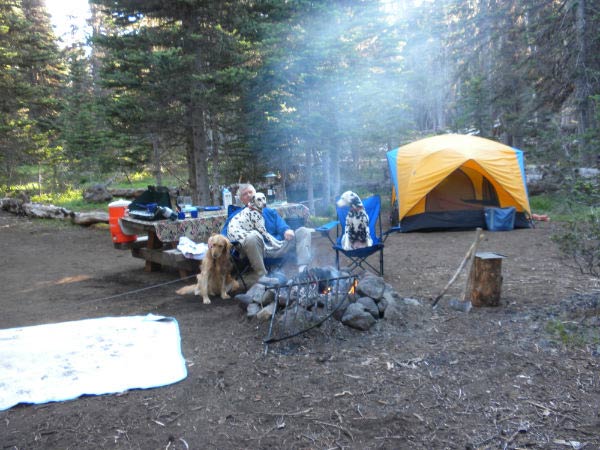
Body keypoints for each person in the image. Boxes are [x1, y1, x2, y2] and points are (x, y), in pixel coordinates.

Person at [222, 183, 312, 283]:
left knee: (303, 231)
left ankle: (302, 272)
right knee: (253, 236)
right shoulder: (236, 215)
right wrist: (213, 240)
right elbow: (224, 235)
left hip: (277, 246)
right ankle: (262, 276)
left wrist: (286, 230)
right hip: (257, 251)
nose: (248, 195)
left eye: (250, 192)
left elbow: (281, 224)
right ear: (241, 199)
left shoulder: (269, 211)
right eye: (244, 194)